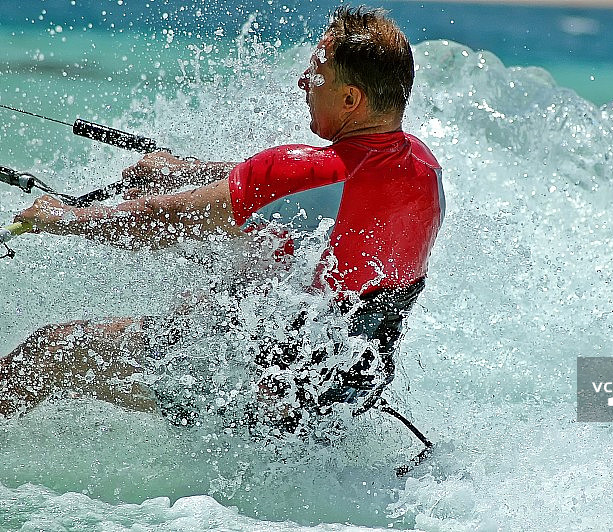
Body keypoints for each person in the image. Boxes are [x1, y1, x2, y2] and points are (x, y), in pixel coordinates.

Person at [0, 6, 444, 432]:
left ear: (350, 98)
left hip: (256, 396)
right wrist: (180, 172)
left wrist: (64, 217)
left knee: (47, 352)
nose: (302, 81)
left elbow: (163, 220)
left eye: (317, 73)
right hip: (346, 392)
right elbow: (282, 186)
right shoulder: (426, 170)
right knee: (223, 289)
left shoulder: (306, 174)